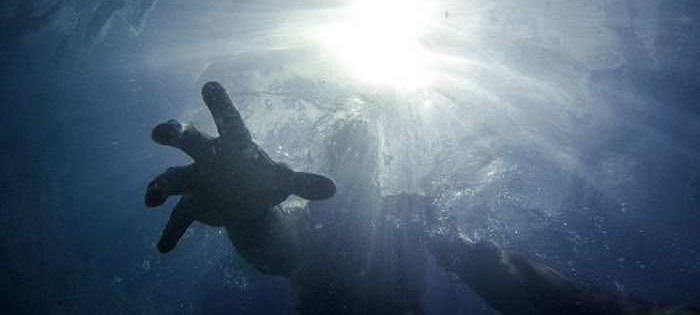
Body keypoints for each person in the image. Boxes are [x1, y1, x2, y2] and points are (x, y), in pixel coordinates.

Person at [146, 82, 700, 314]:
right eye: (344, 154)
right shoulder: (307, 225)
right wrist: (249, 212)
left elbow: (491, 265)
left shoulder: (409, 215)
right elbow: (276, 253)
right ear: (323, 167)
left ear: (379, 165)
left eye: (363, 152)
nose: (355, 166)